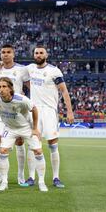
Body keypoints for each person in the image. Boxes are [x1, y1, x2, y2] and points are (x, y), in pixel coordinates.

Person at [26, 45, 74, 188]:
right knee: (33, 145)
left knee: (53, 145)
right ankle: (31, 177)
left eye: (41, 53)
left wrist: (69, 111)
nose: (39, 55)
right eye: (36, 53)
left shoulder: (54, 71)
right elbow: (14, 72)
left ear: (46, 55)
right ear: (34, 55)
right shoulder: (30, 69)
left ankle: (56, 177)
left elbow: (64, 92)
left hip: (49, 112)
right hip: (34, 111)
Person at [0, 77, 48, 192]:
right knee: (3, 151)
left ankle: (41, 182)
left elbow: (34, 109)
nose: (1, 89)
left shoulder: (21, 99)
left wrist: (35, 129)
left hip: (26, 127)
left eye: (4, 87)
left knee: (38, 151)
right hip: (10, 128)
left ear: (10, 88)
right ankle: (4, 182)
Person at [0, 44, 30, 187]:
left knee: (19, 142)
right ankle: (1, 175)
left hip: (17, 110)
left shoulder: (21, 69)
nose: (6, 54)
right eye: (3, 52)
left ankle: (21, 175)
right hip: (1, 109)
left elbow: (30, 87)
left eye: (8, 52)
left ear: (13, 54)